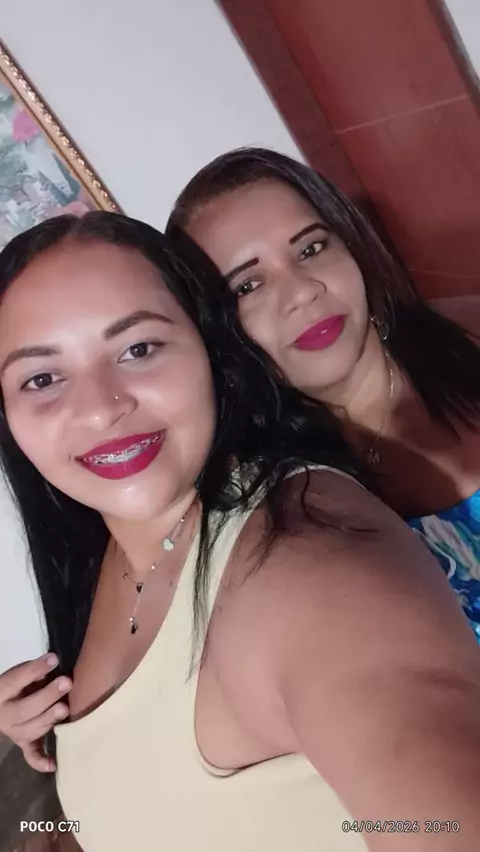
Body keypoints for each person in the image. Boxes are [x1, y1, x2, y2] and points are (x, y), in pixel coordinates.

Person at [0, 211, 479, 852]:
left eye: (139, 348)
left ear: (211, 350)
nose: (100, 408)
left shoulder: (309, 560)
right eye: (42, 378)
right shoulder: (107, 549)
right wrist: (69, 744)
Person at [167, 146, 480, 641]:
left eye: (310, 249)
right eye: (248, 285)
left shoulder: (469, 335)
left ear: (352, 246)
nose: (302, 292)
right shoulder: (274, 504)